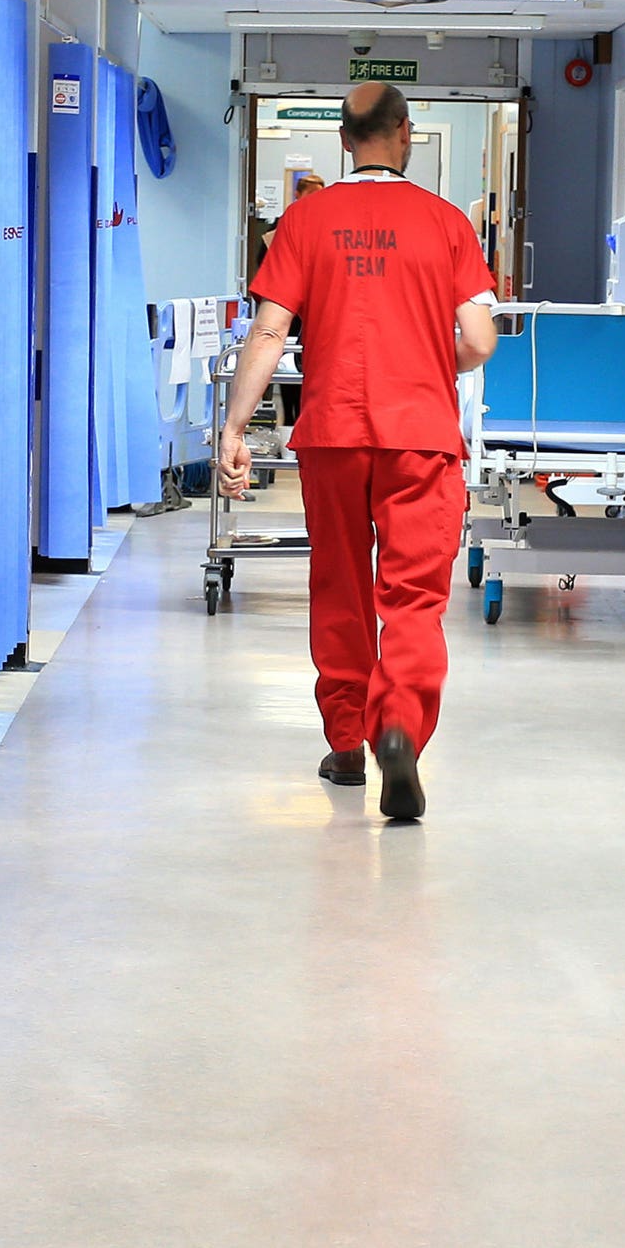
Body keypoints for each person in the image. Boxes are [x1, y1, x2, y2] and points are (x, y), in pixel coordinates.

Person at [217, 83, 498, 822]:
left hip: (333, 433)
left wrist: (234, 428)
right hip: (421, 435)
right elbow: (477, 340)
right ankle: (397, 726)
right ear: (404, 135)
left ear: (344, 142)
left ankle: (346, 742)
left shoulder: (306, 220)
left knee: (340, 586)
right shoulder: (445, 224)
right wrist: (432, 364)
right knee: (411, 597)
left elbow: (269, 334)